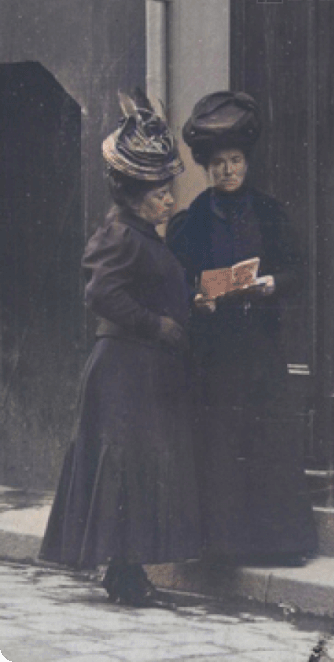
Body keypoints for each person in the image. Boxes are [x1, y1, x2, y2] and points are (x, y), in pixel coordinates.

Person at [40, 92, 200, 605]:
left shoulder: (143, 233)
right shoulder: (118, 235)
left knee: (137, 467)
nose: (169, 201)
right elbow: (101, 294)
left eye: (168, 191)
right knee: (124, 467)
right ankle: (125, 576)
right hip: (123, 369)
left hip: (143, 369)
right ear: (133, 196)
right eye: (158, 193)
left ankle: (127, 572)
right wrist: (157, 325)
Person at [166, 90, 317, 562]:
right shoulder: (189, 223)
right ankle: (222, 547)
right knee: (218, 444)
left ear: (246, 164)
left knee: (266, 439)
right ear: (206, 169)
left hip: (260, 348)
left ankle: (277, 547)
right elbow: (177, 283)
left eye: (235, 161)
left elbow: (298, 272)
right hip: (212, 354)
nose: (227, 170)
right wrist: (198, 298)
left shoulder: (270, 213)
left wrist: (270, 284)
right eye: (218, 164)